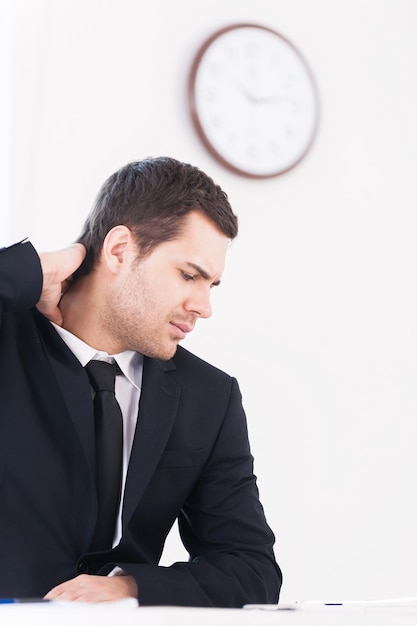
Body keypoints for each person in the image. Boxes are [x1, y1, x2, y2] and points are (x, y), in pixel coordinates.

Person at [0, 157, 282, 606]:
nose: (203, 306)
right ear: (118, 250)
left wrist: (130, 586)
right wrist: (31, 268)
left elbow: (250, 568)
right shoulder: (8, 339)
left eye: (212, 284)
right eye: (189, 275)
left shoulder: (209, 396)